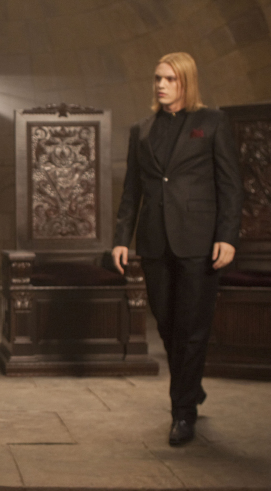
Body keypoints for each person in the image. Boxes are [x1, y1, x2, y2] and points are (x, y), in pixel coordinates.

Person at [112, 52, 243, 446]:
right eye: (157, 78)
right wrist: (121, 238)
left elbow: (230, 185)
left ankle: (183, 412)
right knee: (168, 325)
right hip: (155, 242)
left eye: (169, 79)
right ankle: (191, 384)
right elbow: (132, 189)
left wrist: (227, 236)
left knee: (192, 327)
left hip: (200, 242)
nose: (161, 85)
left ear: (186, 81)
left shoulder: (212, 122)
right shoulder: (141, 129)